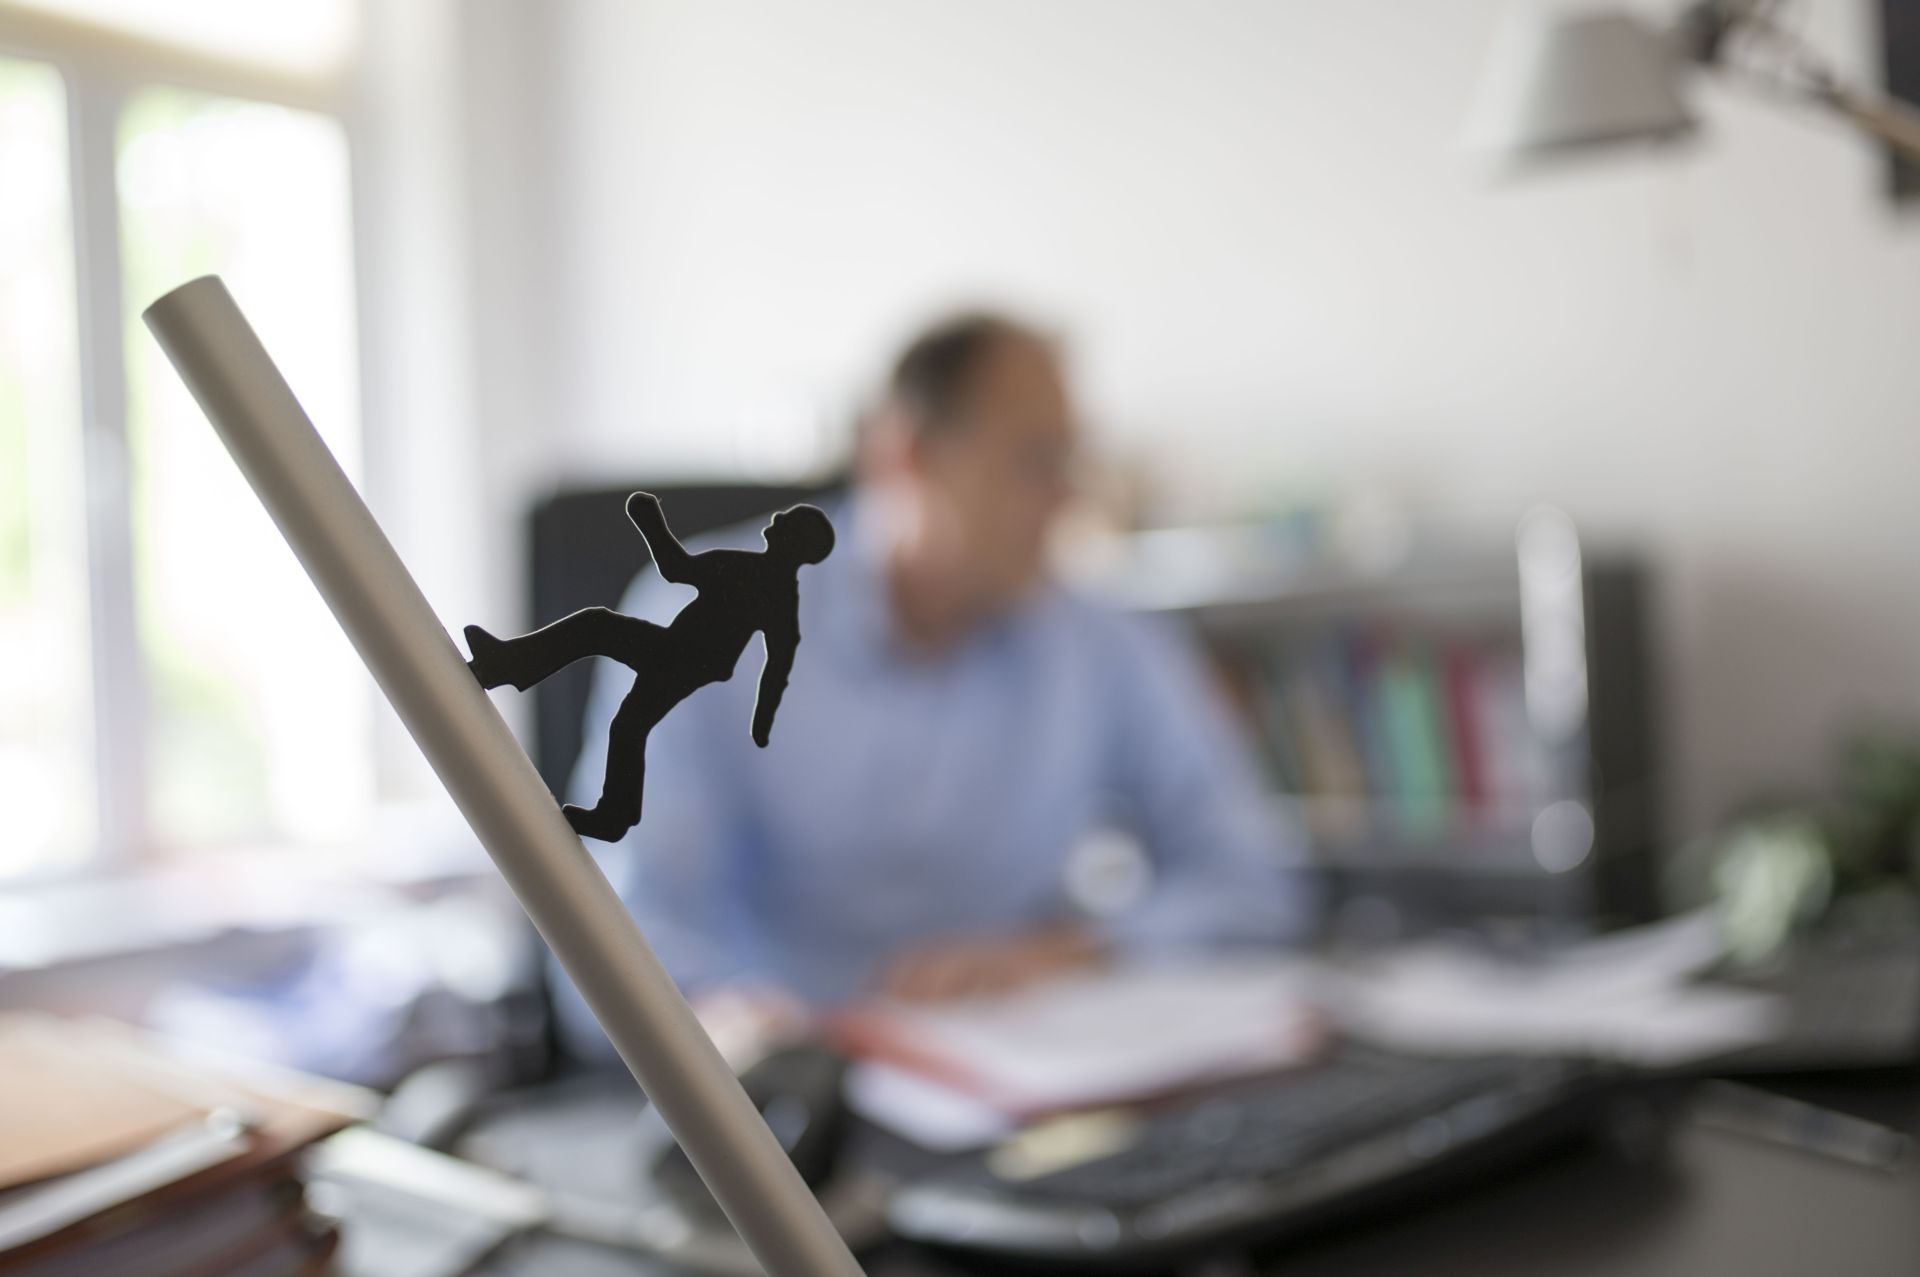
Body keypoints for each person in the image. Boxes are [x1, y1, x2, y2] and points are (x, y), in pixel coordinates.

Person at [555, 313, 1314, 1059]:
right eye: (1033, 460)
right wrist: (729, 1023)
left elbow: (1249, 882)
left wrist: (1075, 952)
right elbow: (617, 940)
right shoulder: (706, 618)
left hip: (1018, 1075)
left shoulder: (1102, 645)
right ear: (908, 453)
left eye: (1071, 461)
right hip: (783, 1081)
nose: (1066, 498)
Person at [464, 495, 835, 842]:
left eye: (789, 521)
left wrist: (649, 521)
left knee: (600, 636)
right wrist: (649, 522)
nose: (778, 517)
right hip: (681, 652)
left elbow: (778, 661)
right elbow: (678, 570)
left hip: (684, 657)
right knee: (628, 721)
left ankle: (507, 667)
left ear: (796, 542)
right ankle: (613, 813)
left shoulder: (768, 587)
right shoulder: (751, 572)